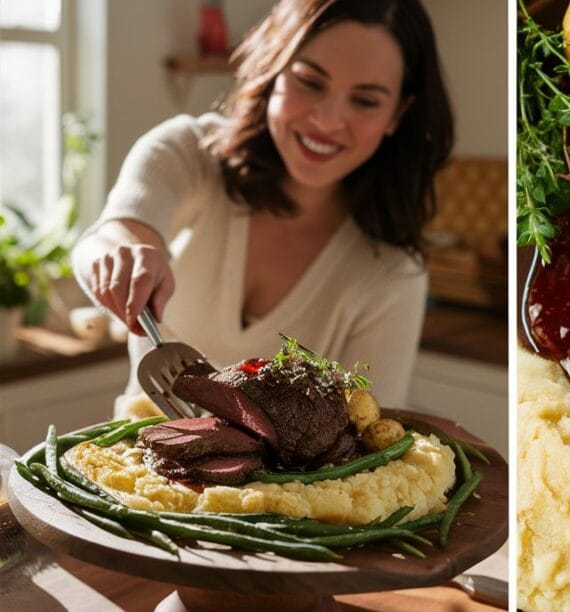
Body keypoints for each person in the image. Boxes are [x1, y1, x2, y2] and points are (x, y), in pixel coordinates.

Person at [71, 0, 454, 413]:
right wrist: (119, 256)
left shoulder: (393, 277)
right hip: (122, 471)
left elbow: (370, 438)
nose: (326, 120)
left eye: (365, 101)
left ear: (398, 114)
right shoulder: (188, 152)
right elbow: (115, 233)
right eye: (310, 81)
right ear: (275, 66)